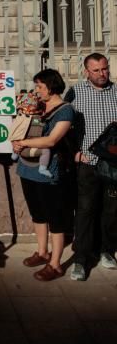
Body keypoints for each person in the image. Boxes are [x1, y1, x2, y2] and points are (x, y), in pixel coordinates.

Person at [12, 69, 74, 281]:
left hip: (49, 170)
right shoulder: (36, 106)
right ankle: (42, 252)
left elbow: (51, 140)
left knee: (56, 217)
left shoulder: (65, 110)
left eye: (40, 86)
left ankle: (55, 264)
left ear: (51, 86)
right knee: (37, 212)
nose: (36, 90)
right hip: (27, 167)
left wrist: (24, 143)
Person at [64, 53, 117, 280]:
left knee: (112, 210)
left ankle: (106, 251)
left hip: (113, 163)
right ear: (87, 71)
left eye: (105, 69)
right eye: (96, 70)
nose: (102, 74)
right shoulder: (75, 92)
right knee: (85, 210)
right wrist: (74, 153)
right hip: (87, 162)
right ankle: (80, 259)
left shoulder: (116, 91)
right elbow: (63, 123)